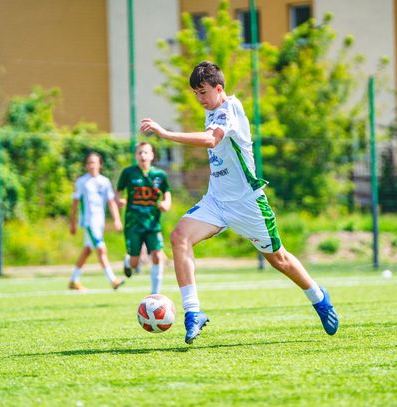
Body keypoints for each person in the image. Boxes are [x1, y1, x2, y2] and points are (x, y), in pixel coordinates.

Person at [140, 61, 339, 344]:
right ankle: (193, 312)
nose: (199, 99)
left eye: (203, 92)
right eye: (195, 94)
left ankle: (318, 298)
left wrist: (166, 134)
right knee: (179, 236)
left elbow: (211, 141)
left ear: (219, 88)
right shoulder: (211, 111)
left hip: (247, 204)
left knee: (279, 259)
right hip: (216, 202)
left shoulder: (230, 108)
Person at [116, 142, 171, 294]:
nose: (143, 155)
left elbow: (166, 192)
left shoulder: (159, 175)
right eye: (140, 152)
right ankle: (128, 262)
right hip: (133, 223)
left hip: (152, 223)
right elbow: (118, 191)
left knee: (157, 256)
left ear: (152, 155)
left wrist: (166, 203)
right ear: (136, 156)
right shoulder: (128, 172)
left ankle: (155, 294)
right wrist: (118, 200)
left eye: (146, 152)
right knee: (135, 263)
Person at [69, 152, 125, 290]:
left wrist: (117, 219)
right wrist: (73, 223)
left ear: (100, 164)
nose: (91, 165)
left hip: (99, 222)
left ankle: (73, 280)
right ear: (86, 165)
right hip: (88, 222)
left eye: (94, 162)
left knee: (87, 250)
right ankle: (113, 280)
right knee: (101, 249)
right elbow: (75, 203)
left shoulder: (104, 181)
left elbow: (111, 201)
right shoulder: (82, 182)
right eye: (89, 162)